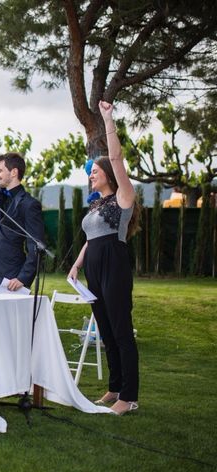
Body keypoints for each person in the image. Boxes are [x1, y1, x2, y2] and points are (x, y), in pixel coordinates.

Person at [68, 100, 141, 416]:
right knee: (105, 330)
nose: (91, 176)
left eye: (95, 172)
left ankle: (130, 395)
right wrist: (77, 263)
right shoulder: (96, 205)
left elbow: (115, 156)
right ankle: (114, 387)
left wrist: (108, 120)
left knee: (122, 330)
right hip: (94, 265)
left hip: (114, 263)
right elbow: (90, 237)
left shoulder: (124, 197)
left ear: (109, 174)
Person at [0, 112, 46, 292]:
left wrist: (23, 277)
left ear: (13, 173)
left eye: (0, 171)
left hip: (11, 275)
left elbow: (36, 245)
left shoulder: (29, 205)